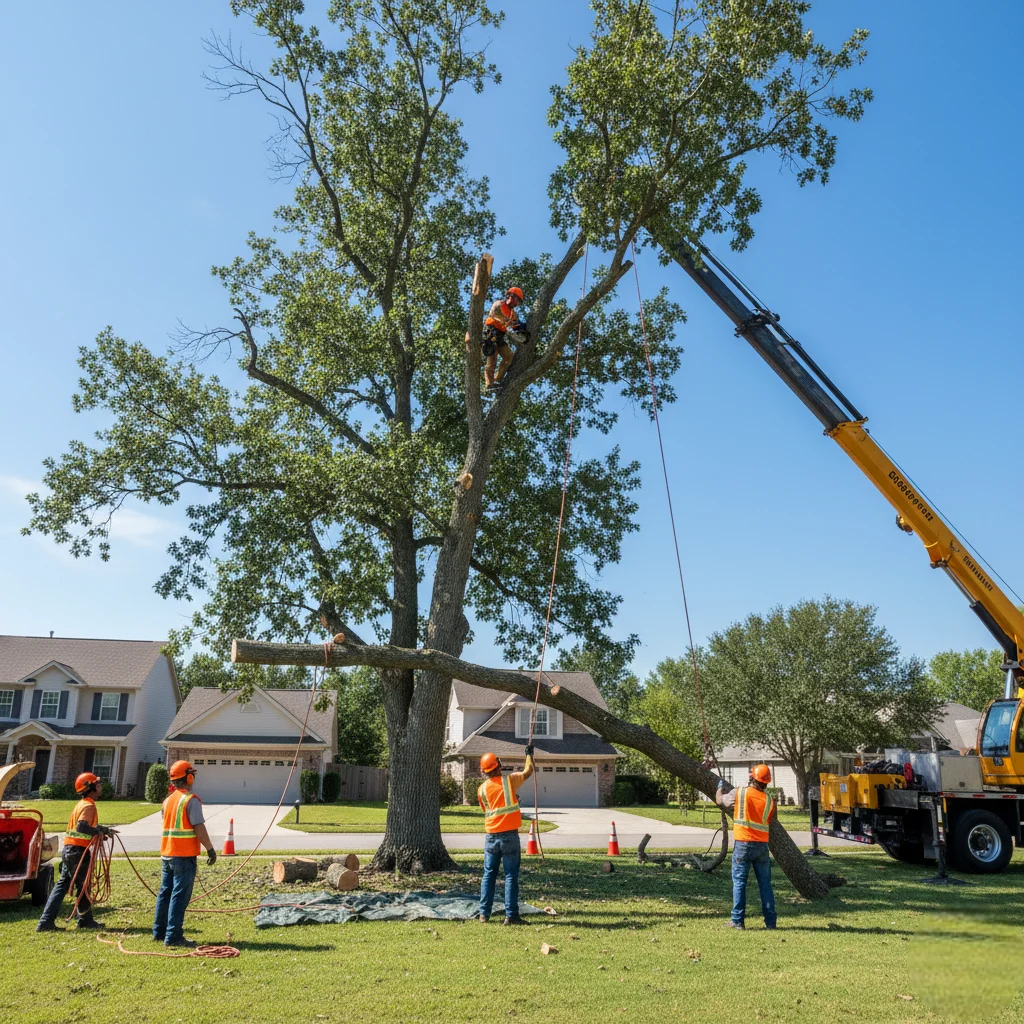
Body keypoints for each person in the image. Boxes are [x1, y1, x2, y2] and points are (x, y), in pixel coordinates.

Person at [36, 772, 116, 932]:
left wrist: (100, 832)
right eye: (98, 784)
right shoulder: (88, 806)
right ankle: (83, 921)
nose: (101, 786)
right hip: (77, 852)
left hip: (71, 850)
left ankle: (47, 921)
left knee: (64, 885)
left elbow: (83, 828)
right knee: (84, 885)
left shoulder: (82, 803)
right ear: (91, 787)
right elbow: (81, 826)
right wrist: (99, 831)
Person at [152, 760, 217, 948]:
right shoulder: (190, 800)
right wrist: (210, 849)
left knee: (165, 893)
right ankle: (173, 936)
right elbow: (199, 827)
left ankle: (159, 932)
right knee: (179, 896)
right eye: (193, 775)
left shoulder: (167, 801)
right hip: (184, 856)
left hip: (167, 854)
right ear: (188, 777)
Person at [477, 745, 535, 924]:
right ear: (499, 765)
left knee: (489, 874)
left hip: (491, 837)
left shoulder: (481, 790)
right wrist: (529, 755)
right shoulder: (509, 781)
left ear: (484, 771)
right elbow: (528, 771)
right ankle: (511, 915)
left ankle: (483, 914)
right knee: (511, 876)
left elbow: (485, 809)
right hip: (509, 836)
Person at [715, 763, 777, 930]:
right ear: (766, 782)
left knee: (740, 882)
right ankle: (771, 922)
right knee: (765, 884)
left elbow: (721, 801)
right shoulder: (770, 801)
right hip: (762, 846)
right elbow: (768, 819)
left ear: (752, 777)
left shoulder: (740, 793)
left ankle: (737, 921)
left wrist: (719, 789)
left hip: (743, 844)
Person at [482, 287, 528, 391]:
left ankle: (497, 380)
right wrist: (508, 321)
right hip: (490, 332)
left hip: (500, 335)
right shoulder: (499, 304)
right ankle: (489, 384)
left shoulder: (513, 314)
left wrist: (521, 328)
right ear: (509, 296)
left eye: (518, 301)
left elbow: (515, 325)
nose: (517, 302)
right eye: (516, 299)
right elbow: (495, 313)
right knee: (492, 359)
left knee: (509, 357)